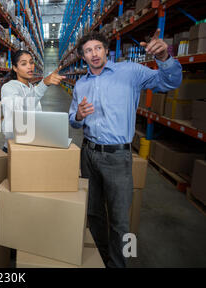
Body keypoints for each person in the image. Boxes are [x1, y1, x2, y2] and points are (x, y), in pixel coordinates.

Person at [69, 30, 182, 268]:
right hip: (88, 152)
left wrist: (164, 58)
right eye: (88, 50)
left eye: (98, 48)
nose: (94, 54)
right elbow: (73, 119)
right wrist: (78, 114)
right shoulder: (80, 84)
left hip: (117, 156)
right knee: (93, 212)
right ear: (83, 56)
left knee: (120, 219)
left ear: (106, 49)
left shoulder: (130, 72)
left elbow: (169, 82)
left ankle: (119, 264)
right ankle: (99, 258)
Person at [1, 50, 66, 152]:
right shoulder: (8, 87)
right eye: (24, 64)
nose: (29, 66)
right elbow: (21, 109)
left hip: (31, 144)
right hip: (14, 147)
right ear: (15, 68)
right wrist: (43, 84)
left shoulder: (31, 87)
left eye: (31, 62)